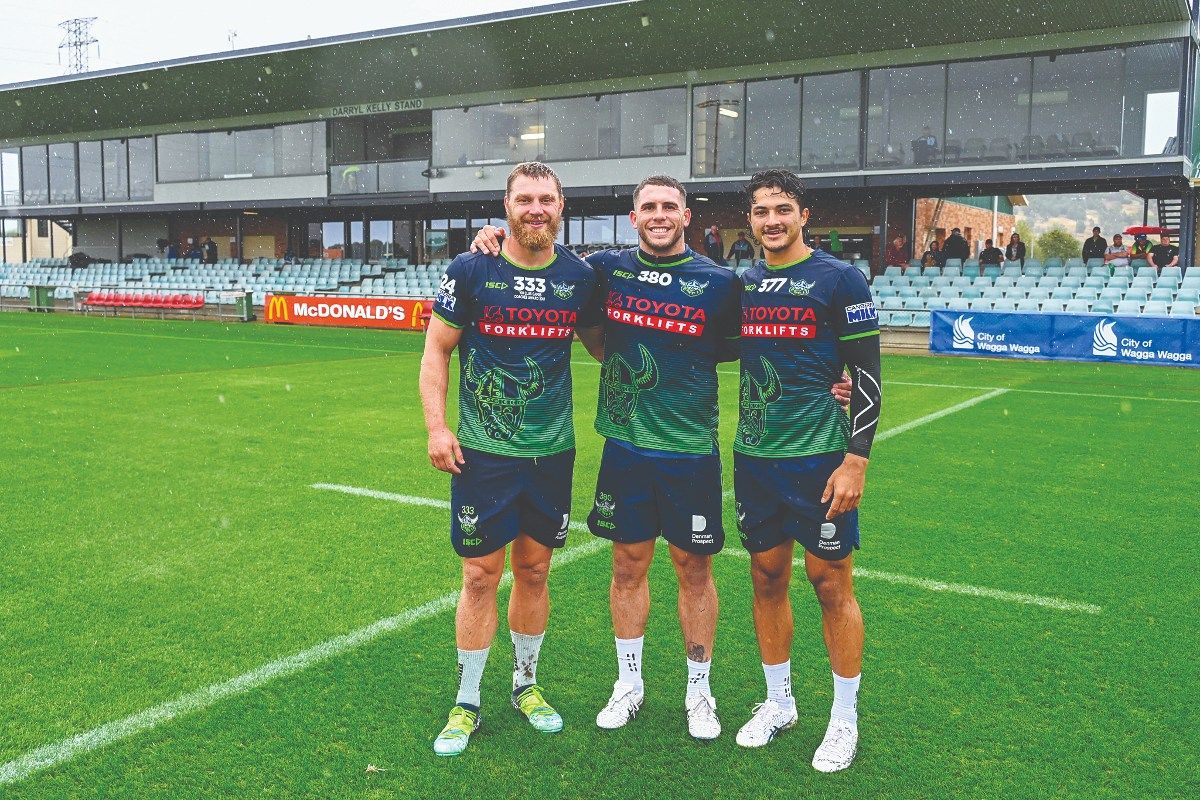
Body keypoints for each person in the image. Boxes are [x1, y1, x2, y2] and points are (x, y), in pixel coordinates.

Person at [469, 177, 853, 742]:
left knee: (694, 569)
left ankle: (700, 690)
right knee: (627, 566)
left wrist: (837, 375)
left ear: (686, 216)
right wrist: (491, 237)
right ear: (633, 216)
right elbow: (558, 282)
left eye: (669, 206)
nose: (659, 215)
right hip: (624, 449)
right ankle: (630, 684)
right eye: (648, 206)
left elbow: (777, 335)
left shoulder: (721, 283)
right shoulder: (604, 271)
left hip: (691, 450)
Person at [419, 162, 603, 757]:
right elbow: (435, 353)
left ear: (562, 205)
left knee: (535, 571)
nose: (536, 209)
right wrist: (438, 427)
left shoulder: (580, 276)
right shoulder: (473, 268)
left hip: (550, 453)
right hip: (483, 454)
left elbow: (610, 347)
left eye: (545, 199)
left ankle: (526, 684)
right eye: (524, 199)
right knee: (479, 575)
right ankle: (467, 699)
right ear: (505, 205)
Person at [732, 170, 881, 774]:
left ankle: (843, 718)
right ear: (750, 222)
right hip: (755, 461)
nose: (772, 220)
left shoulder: (840, 278)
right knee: (767, 578)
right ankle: (779, 702)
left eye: (783, 209)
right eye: (762, 211)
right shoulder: (740, 284)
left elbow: (866, 372)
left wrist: (856, 458)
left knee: (830, 583)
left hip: (822, 461)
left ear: (804, 215)